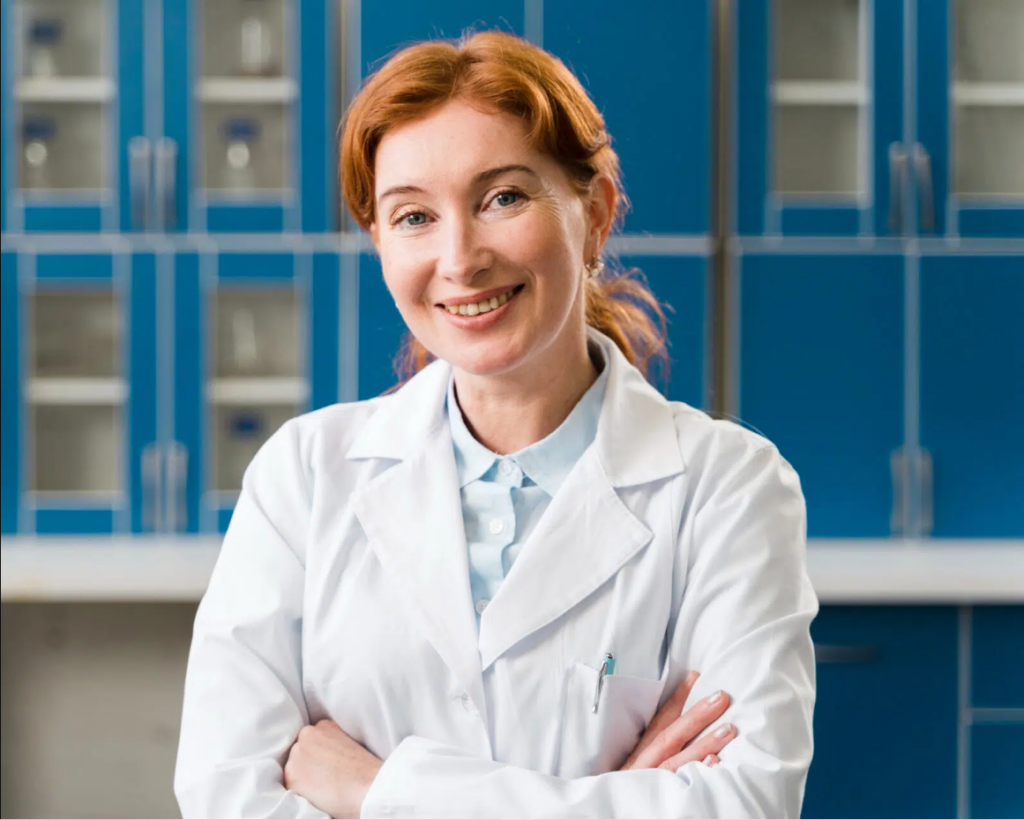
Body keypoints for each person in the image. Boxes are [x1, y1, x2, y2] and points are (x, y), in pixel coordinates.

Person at [174, 30, 817, 819]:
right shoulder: (305, 477)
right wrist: (612, 800)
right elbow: (225, 794)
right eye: (412, 216)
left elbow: (741, 806)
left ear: (597, 212)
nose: (460, 257)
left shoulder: (730, 487)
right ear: (379, 241)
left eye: (503, 198)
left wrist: (379, 791)